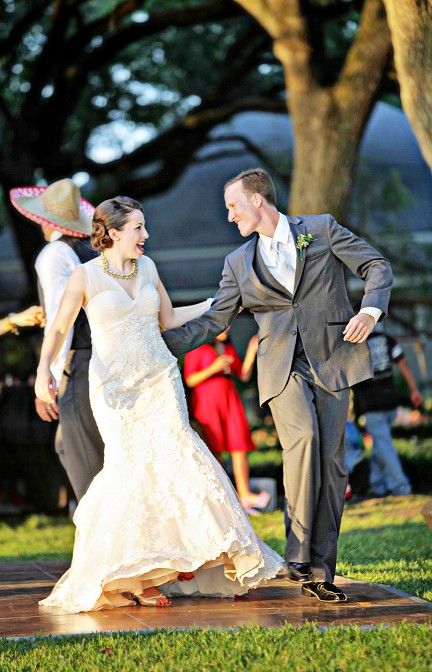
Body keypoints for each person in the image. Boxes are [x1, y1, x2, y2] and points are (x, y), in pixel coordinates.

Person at [34, 196, 283, 613]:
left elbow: (166, 318)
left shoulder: (147, 267)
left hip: (159, 379)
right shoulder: (84, 277)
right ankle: (138, 576)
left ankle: (203, 558)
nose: (146, 235)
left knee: (180, 457)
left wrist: (216, 305)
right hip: (115, 389)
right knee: (131, 470)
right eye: (138, 228)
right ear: (112, 233)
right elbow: (58, 328)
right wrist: (45, 372)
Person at [161, 168, 392, 603]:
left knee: (332, 463)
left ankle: (320, 571)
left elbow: (376, 266)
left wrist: (370, 312)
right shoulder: (237, 263)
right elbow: (215, 320)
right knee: (302, 439)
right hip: (280, 368)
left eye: (233, 206)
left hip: (333, 359)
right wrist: (158, 344)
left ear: (257, 201)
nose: (229, 216)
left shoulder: (320, 230)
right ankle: (298, 553)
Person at [10, 178, 105, 502]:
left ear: (41, 219)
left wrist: (47, 374)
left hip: (79, 360)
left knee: (85, 459)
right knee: (67, 444)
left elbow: (59, 321)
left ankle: (104, 540)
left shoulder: (54, 254)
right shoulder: (91, 250)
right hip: (103, 355)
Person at [184, 328, 271, 513]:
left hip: (230, 399)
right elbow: (190, 379)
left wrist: (251, 351)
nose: (227, 328)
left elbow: (244, 374)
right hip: (208, 401)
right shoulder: (197, 348)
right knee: (215, 449)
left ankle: (245, 495)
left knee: (238, 444)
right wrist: (213, 368)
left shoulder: (228, 348)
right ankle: (224, 498)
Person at [352, 330, 423, 497]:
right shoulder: (387, 339)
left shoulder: (353, 343)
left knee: (383, 445)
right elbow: (403, 363)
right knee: (380, 444)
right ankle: (377, 486)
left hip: (371, 404)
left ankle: (401, 487)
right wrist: (414, 389)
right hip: (390, 399)